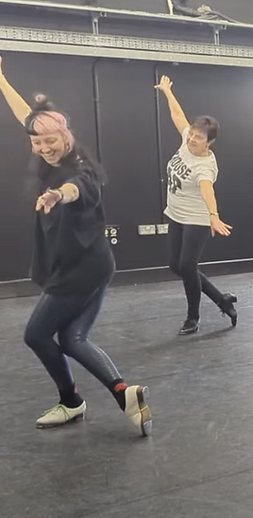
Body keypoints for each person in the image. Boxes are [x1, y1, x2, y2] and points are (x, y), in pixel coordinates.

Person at [0, 57, 151, 436]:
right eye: (37, 142)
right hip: (96, 262)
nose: (44, 147)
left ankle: (72, 401)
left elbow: (79, 188)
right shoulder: (46, 149)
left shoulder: (78, 167)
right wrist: (1, 79)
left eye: (51, 140)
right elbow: (27, 116)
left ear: (65, 137)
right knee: (71, 338)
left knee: (36, 334)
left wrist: (57, 195)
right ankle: (123, 393)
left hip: (79, 269)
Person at [155, 75, 238, 335]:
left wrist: (213, 215)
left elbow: (207, 190)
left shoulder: (205, 165)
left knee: (187, 266)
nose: (192, 140)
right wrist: (168, 92)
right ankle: (221, 299)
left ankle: (193, 317)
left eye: (198, 138)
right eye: (192, 134)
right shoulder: (186, 139)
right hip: (176, 214)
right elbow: (178, 115)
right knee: (175, 265)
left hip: (197, 219)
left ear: (209, 142)